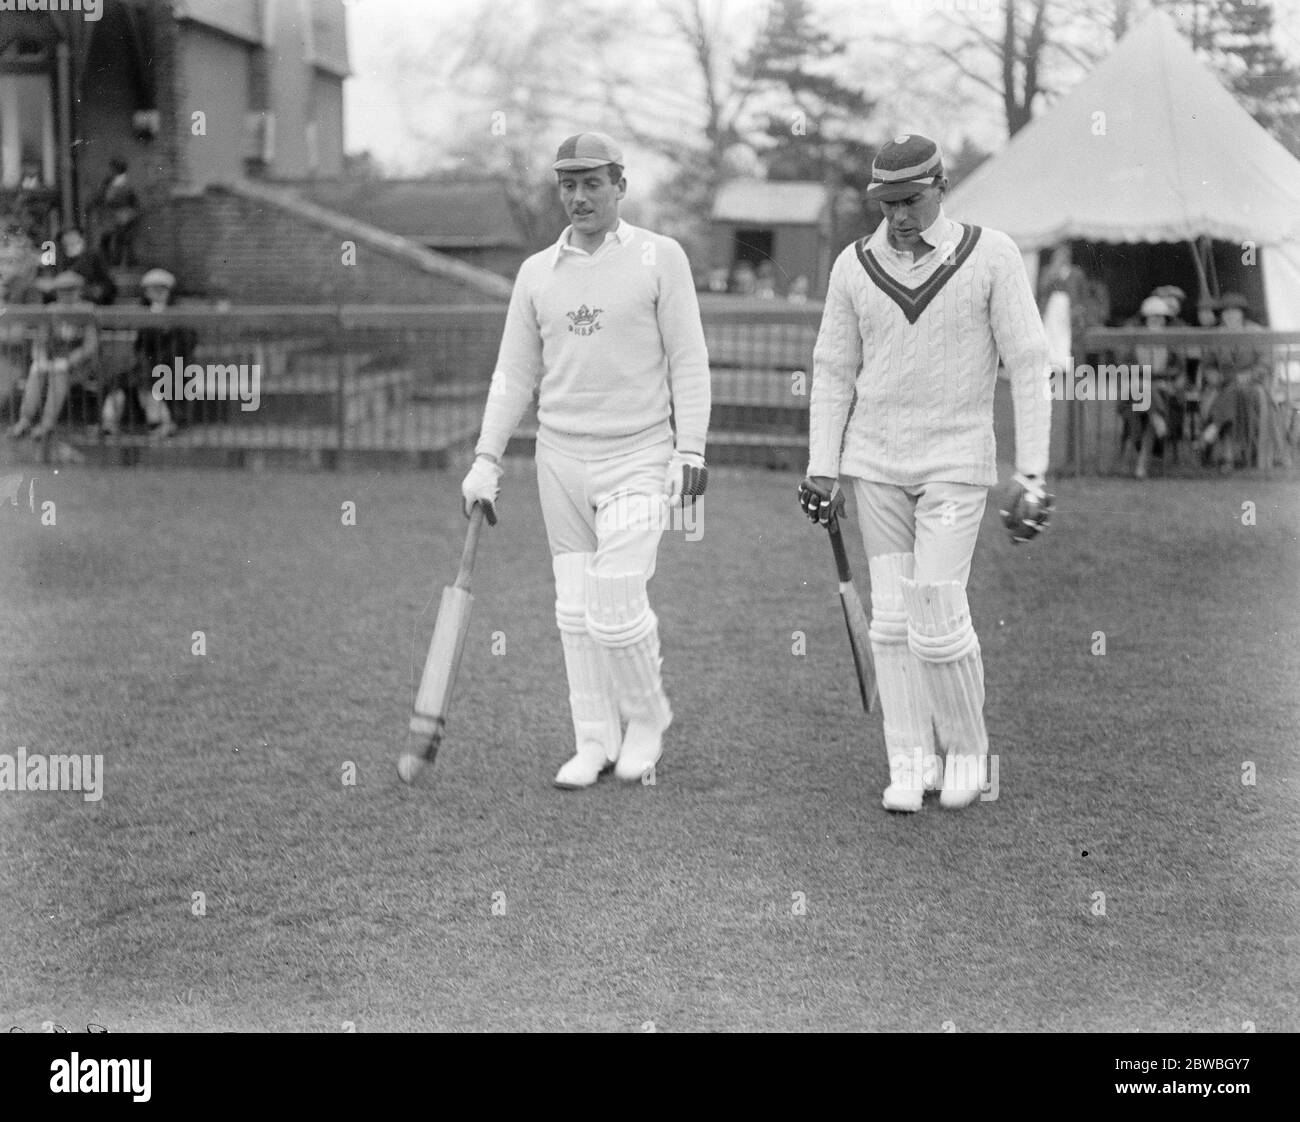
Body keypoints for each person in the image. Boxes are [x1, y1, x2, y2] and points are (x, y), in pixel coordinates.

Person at [799, 133, 1052, 813]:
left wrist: (1032, 473)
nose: (900, 216)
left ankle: (968, 754)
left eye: (911, 200)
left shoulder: (991, 254)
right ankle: (909, 762)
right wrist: (823, 467)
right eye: (887, 203)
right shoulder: (855, 266)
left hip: (956, 462)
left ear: (941, 186)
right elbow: (832, 368)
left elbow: (1028, 362)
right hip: (874, 461)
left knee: (936, 615)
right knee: (889, 623)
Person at [459, 132, 711, 789]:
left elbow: (688, 359)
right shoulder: (537, 272)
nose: (578, 196)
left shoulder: (662, 257)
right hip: (560, 459)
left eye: (592, 183)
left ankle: (648, 721)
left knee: (616, 604)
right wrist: (487, 456)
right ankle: (594, 741)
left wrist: (692, 448)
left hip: (640, 453)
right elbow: (514, 373)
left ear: (620, 185)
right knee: (574, 612)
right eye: (567, 184)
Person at [100, 268, 189, 439]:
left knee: (149, 381)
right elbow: (140, 346)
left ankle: (162, 422)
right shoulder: (143, 313)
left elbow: (183, 344)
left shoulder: (178, 314)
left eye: (161, 290)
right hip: (147, 364)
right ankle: (109, 421)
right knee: (120, 382)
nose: (157, 294)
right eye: (152, 290)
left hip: (174, 364)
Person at [9, 270, 98, 439]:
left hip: (78, 365)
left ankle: (46, 425)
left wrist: (69, 361)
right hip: (52, 360)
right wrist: (40, 357)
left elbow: (90, 346)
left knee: (58, 373)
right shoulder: (52, 310)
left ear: (80, 291)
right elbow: (41, 340)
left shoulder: (87, 311)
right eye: (63, 290)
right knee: (36, 370)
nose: (67, 294)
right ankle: (24, 420)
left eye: (72, 290)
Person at [95, 158, 141, 268]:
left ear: (116, 169)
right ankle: (117, 261)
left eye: (112, 169)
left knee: (119, 239)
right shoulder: (111, 182)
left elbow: (129, 200)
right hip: (114, 216)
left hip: (121, 215)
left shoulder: (124, 184)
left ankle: (118, 261)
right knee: (113, 239)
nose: (110, 171)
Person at [53, 227, 116, 306]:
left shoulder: (93, 256)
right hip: (64, 302)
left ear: (81, 239)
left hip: (90, 300)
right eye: (66, 240)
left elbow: (106, 285)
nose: (70, 241)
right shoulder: (60, 260)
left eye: (73, 238)